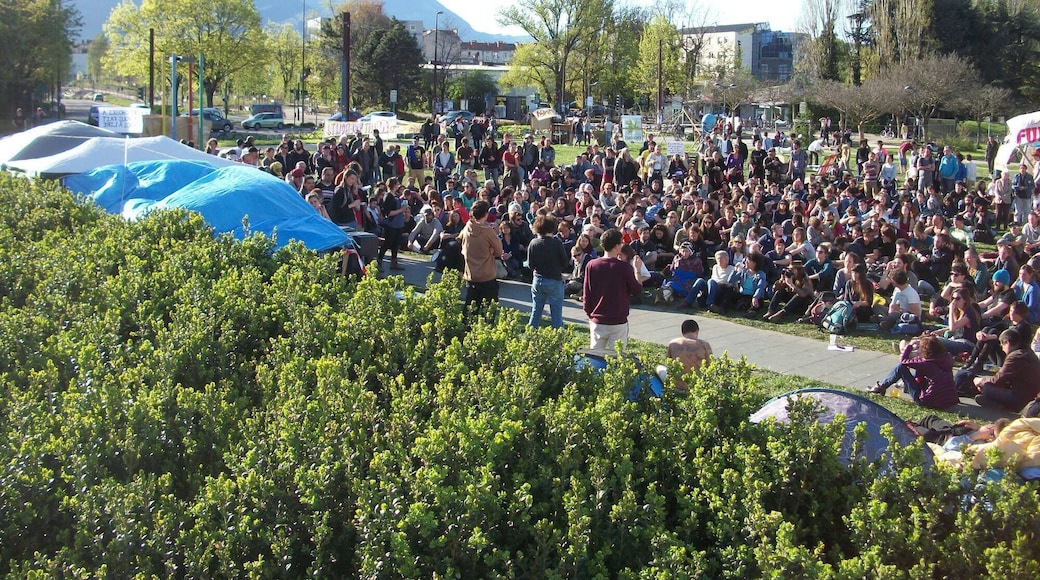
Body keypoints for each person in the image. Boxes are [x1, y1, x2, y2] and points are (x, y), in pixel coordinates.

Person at [583, 228, 643, 356]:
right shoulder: (624, 267)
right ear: (617, 246)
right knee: (615, 359)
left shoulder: (592, 265)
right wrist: (637, 270)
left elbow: (587, 293)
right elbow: (637, 290)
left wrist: (590, 314)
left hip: (597, 319)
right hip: (618, 321)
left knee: (595, 359)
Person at [869, 335, 958, 409]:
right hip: (948, 401)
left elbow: (903, 361)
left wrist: (910, 345)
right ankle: (904, 386)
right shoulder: (946, 358)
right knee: (918, 370)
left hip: (927, 401)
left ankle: (880, 387)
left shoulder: (926, 363)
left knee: (901, 368)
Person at [973, 327, 1040, 412]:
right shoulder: (1028, 352)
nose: (1002, 348)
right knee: (989, 387)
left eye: (1002, 345)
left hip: (1020, 397)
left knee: (987, 388)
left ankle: (1005, 405)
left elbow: (998, 379)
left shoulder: (1015, 357)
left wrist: (981, 381)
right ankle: (1000, 403)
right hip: (1031, 395)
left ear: (1007, 343)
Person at [459, 200, 504, 313]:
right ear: (486, 214)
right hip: (486, 276)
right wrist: (491, 250)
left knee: (470, 310)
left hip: (471, 275)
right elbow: (499, 251)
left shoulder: (466, 228)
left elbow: (460, 241)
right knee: (489, 311)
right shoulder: (488, 232)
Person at [527, 214, 570, 328]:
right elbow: (564, 262)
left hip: (538, 279)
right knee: (556, 314)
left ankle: (530, 335)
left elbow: (531, 264)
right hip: (554, 280)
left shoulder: (533, 243)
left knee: (536, 311)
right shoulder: (556, 243)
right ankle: (558, 338)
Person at [664, 319, 713, 390]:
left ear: (682, 332)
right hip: (697, 385)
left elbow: (667, 363)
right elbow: (710, 366)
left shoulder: (673, 343)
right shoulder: (705, 345)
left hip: (677, 386)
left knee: (660, 368)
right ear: (697, 331)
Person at [377, 178, 408, 271]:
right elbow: (388, 213)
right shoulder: (388, 196)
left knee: (396, 243)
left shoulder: (397, 195)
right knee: (388, 242)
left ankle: (394, 262)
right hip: (391, 223)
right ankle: (379, 260)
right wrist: (400, 210)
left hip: (399, 223)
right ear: (394, 185)